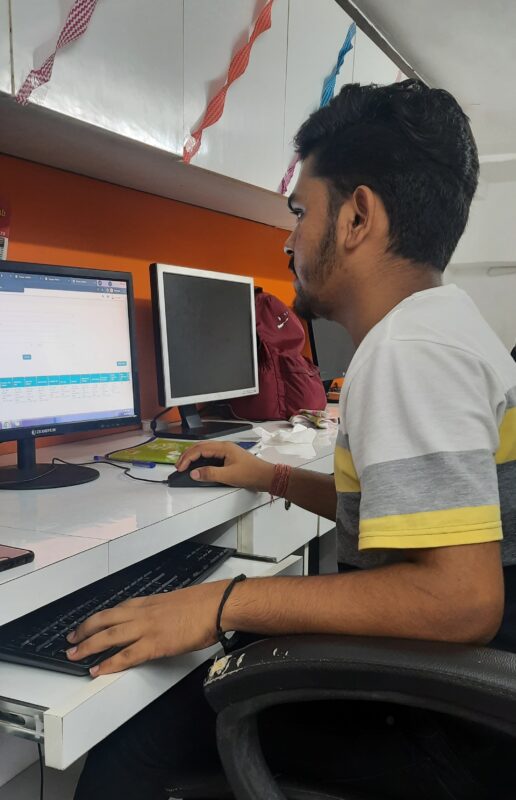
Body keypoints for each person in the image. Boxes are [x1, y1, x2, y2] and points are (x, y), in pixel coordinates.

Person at [72, 80, 516, 799]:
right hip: (461, 704)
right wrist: (268, 476)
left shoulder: (410, 353)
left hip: (439, 728)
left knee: (130, 749)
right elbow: (404, 516)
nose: (288, 240)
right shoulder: (446, 324)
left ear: (358, 217)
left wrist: (223, 603)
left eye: (300, 212)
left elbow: (461, 600)